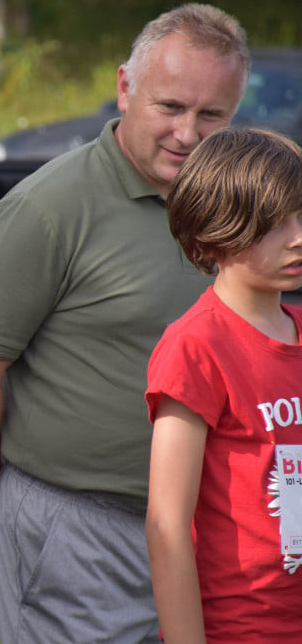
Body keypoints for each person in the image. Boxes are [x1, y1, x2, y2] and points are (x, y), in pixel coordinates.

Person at [0, 3, 250, 642]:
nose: (188, 133)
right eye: (170, 107)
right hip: (80, 528)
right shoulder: (48, 209)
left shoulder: (235, 207)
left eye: (211, 115)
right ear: (125, 87)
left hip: (209, 527)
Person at [145, 128, 302, 643]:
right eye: (275, 224)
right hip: (241, 628)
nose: (298, 236)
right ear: (216, 232)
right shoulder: (195, 347)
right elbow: (167, 526)